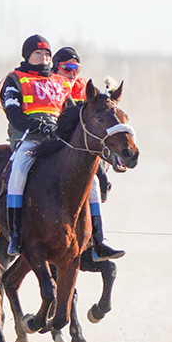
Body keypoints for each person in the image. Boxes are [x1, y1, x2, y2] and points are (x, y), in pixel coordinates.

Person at [0, 35, 71, 257]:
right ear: (28, 56)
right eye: (38, 54)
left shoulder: (60, 81)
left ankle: (96, 237)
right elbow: (13, 112)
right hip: (28, 138)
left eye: (47, 54)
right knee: (18, 173)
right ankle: (14, 235)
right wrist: (36, 125)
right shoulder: (14, 80)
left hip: (57, 140)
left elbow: (69, 111)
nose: (44, 58)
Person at [51, 47, 124, 260]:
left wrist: (109, 96)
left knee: (91, 182)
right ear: (57, 68)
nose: (73, 72)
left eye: (76, 68)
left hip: (79, 147)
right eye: (67, 68)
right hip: (53, 141)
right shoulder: (50, 85)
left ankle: (97, 241)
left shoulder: (83, 87)